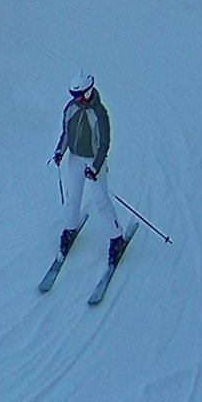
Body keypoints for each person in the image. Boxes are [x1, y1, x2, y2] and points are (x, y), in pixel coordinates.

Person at [58, 74, 131, 265]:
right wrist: (60, 151)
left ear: (88, 92)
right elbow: (66, 132)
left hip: (92, 160)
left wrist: (96, 167)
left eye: (79, 95)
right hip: (75, 158)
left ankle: (116, 238)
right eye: (73, 94)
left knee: (100, 200)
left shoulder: (100, 114)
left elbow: (104, 143)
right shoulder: (71, 108)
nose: (76, 99)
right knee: (72, 196)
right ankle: (69, 228)